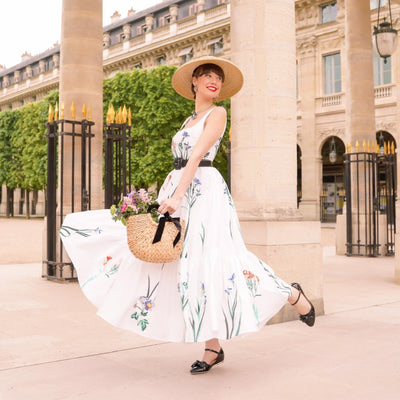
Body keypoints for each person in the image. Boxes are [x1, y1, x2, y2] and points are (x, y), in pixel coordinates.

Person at [60, 56, 315, 375]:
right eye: (207, 75)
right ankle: (213, 347)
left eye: (218, 78)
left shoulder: (218, 113)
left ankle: (291, 293)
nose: (214, 80)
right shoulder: (187, 121)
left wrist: (179, 194)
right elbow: (182, 160)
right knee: (186, 266)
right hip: (179, 186)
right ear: (194, 81)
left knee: (217, 260)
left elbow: (197, 155)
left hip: (203, 191)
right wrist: (168, 193)